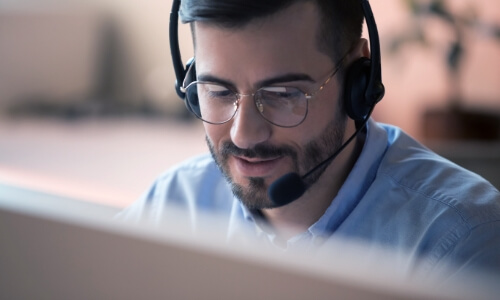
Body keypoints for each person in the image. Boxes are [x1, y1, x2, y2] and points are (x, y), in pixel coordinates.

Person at [119, 0, 500, 277]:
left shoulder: (462, 243)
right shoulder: (171, 206)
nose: (244, 134)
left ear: (359, 81)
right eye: (217, 91)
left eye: (283, 94)